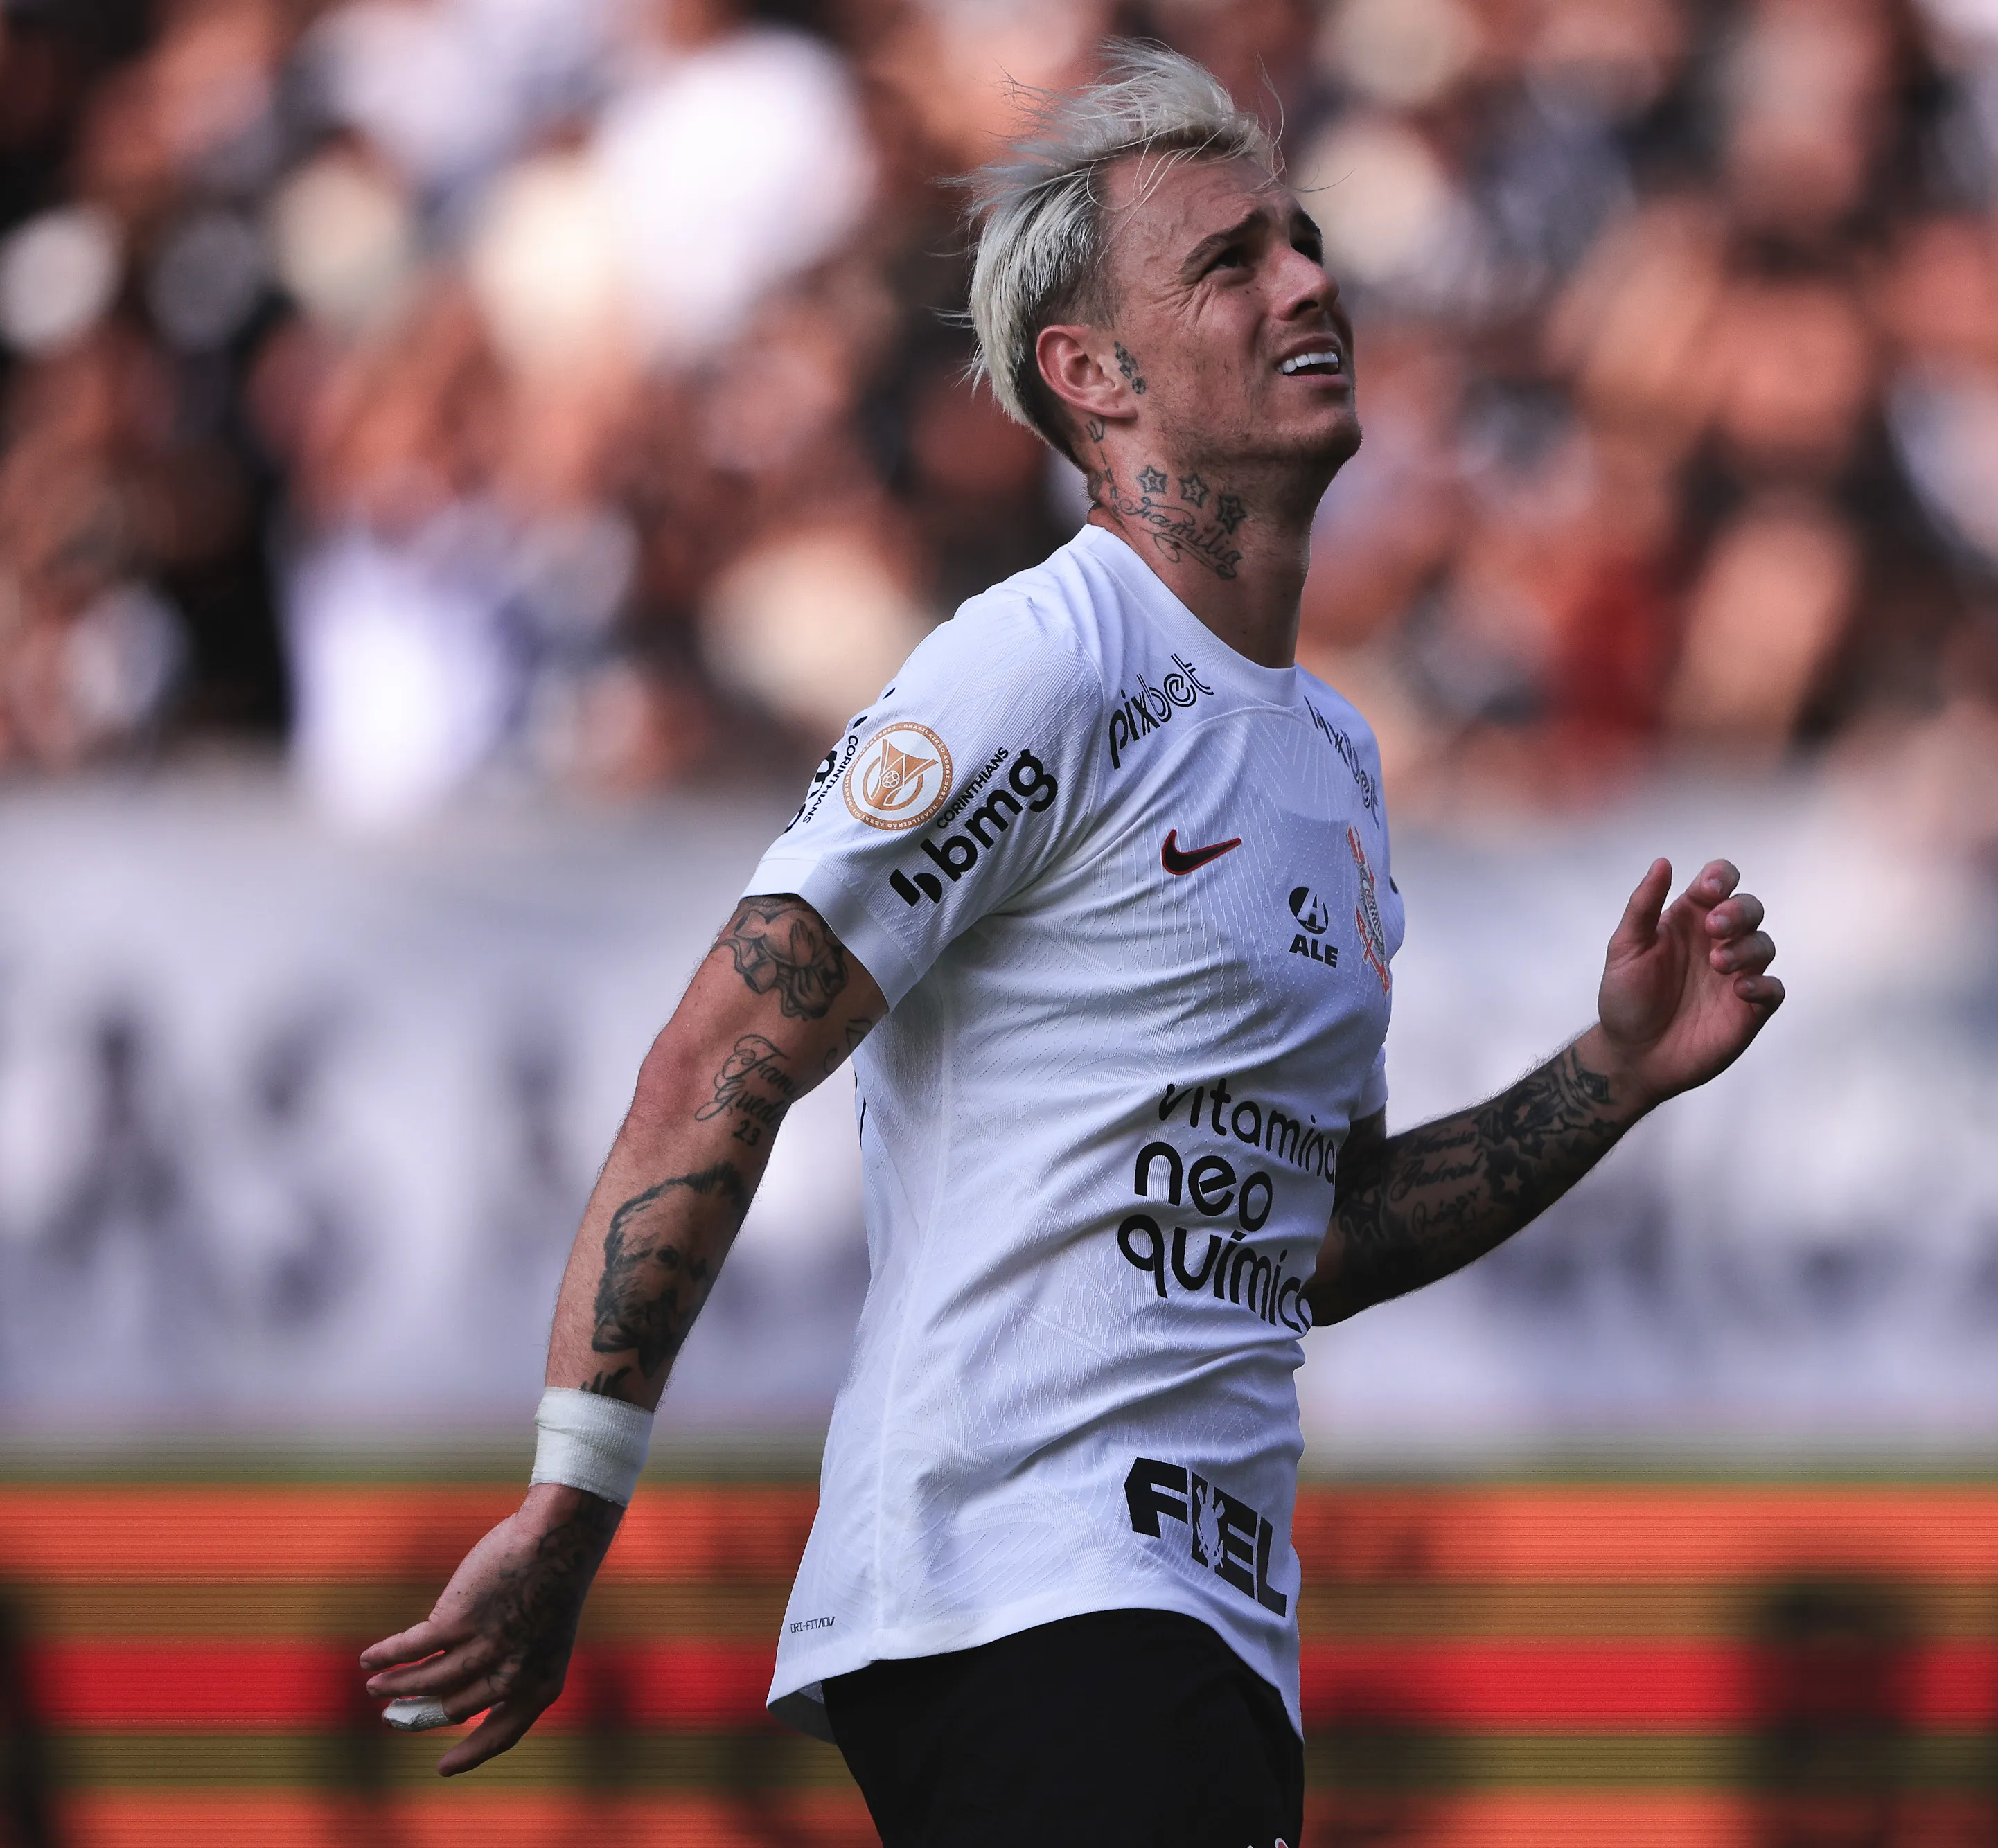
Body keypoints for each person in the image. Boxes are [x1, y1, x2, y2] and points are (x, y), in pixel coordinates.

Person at [360, 44, 1783, 1847]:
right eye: (1228, 262)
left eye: (1305, 240)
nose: (1309, 280)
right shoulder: (1048, 663)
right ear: (1091, 376)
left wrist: (1608, 1080)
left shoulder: (1331, 759)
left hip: (1196, 1621)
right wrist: (575, 1494)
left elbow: (1307, 1232)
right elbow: (722, 1052)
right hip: (1021, 1586)